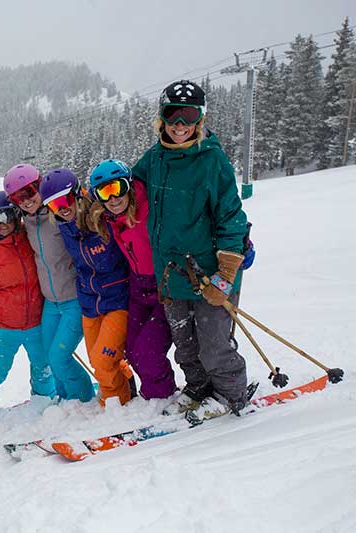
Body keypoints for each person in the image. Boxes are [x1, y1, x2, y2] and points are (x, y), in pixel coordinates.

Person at [132, 79, 251, 414]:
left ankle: (230, 394)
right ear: (162, 117)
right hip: (171, 274)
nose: (180, 125)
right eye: (173, 114)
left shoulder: (212, 160)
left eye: (189, 115)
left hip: (208, 272)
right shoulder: (153, 158)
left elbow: (231, 217)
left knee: (213, 345)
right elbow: (131, 190)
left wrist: (225, 275)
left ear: (200, 118)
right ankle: (199, 386)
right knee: (185, 346)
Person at [3, 163, 96, 403]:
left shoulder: (60, 214)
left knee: (59, 357)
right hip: (51, 303)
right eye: (17, 197)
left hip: (74, 298)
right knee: (47, 356)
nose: (25, 200)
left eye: (29, 192)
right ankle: (65, 401)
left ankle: (83, 400)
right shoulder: (27, 222)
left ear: (40, 185)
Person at [85, 159, 177, 400]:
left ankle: (162, 399)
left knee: (148, 352)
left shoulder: (151, 211)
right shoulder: (109, 221)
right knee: (132, 351)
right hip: (138, 289)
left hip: (164, 289)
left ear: (130, 185)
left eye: (118, 188)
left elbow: (185, 223)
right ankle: (154, 396)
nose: (113, 198)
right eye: (105, 192)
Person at [39, 168, 132, 407]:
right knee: (96, 360)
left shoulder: (102, 218)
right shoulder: (64, 227)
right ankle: (124, 388)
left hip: (118, 299)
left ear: (78, 193)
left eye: (65, 200)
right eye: (53, 205)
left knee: (102, 361)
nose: (62, 208)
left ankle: (116, 406)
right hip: (90, 303)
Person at [0, 191, 57, 424]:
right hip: (4, 326)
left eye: (6, 215)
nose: (2, 223)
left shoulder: (30, 236)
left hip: (37, 320)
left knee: (43, 366)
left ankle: (44, 402)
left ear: (16, 213)